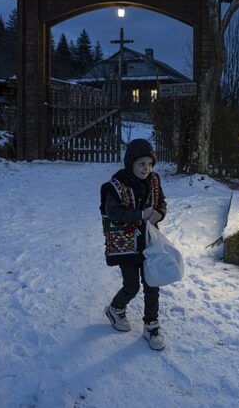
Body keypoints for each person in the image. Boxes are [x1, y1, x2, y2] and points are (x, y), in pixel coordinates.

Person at [99, 138, 167, 350]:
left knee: (152, 283)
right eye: (141, 164)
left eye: (149, 164)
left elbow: (162, 203)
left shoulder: (154, 181)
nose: (146, 169)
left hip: (149, 242)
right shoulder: (116, 185)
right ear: (130, 163)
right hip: (126, 244)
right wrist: (139, 214)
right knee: (132, 286)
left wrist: (159, 214)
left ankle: (151, 325)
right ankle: (115, 308)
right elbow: (113, 212)